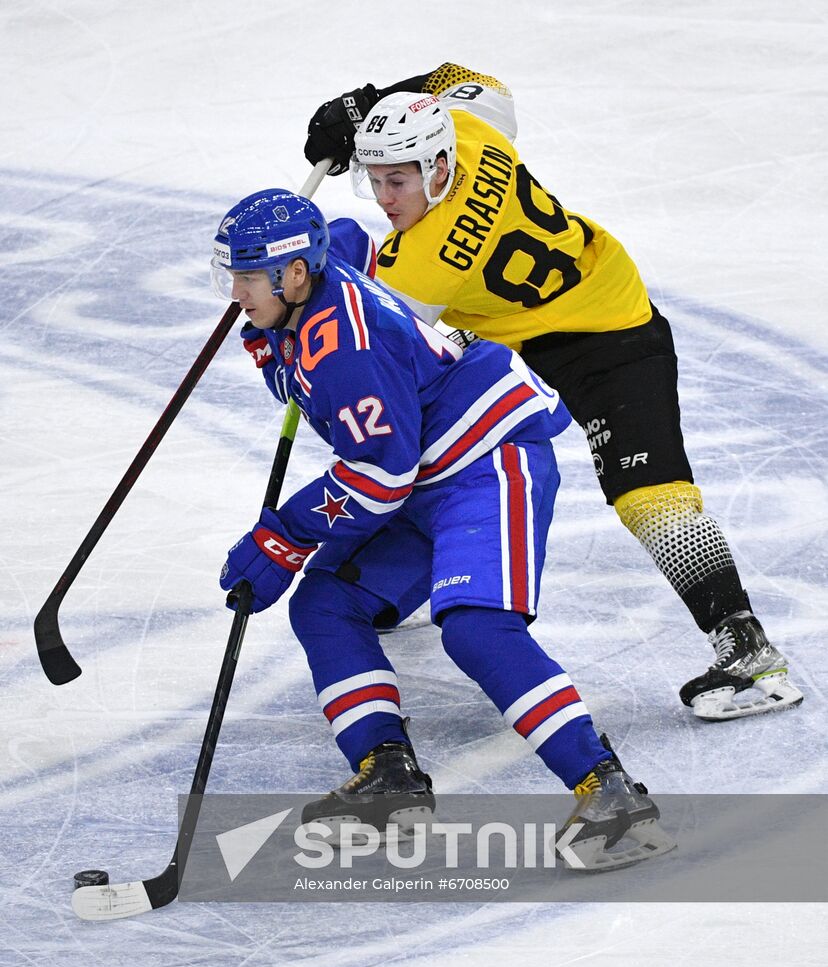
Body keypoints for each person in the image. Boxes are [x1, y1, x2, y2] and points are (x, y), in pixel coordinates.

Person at [302, 63, 804, 723]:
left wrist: (296, 279)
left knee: (645, 494)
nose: (386, 197)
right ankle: (400, 578)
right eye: (375, 179)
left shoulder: (421, 267)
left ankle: (748, 650)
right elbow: (469, 77)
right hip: (532, 337)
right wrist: (374, 103)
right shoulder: (476, 133)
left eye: (398, 180)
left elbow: (371, 345)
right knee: (448, 436)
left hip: (607, 336)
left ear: (437, 168)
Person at [212, 188, 675, 870]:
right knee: (327, 600)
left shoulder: (347, 353)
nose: (236, 293)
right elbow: (346, 235)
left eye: (249, 277)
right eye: (233, 274)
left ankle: (611, 794)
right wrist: (273, 325)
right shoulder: (315, 277)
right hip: (425, 469)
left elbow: (378, 478)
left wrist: (285, 533)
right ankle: (387, 777)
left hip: (487, 459)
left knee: (474, 625)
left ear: (294, 276)